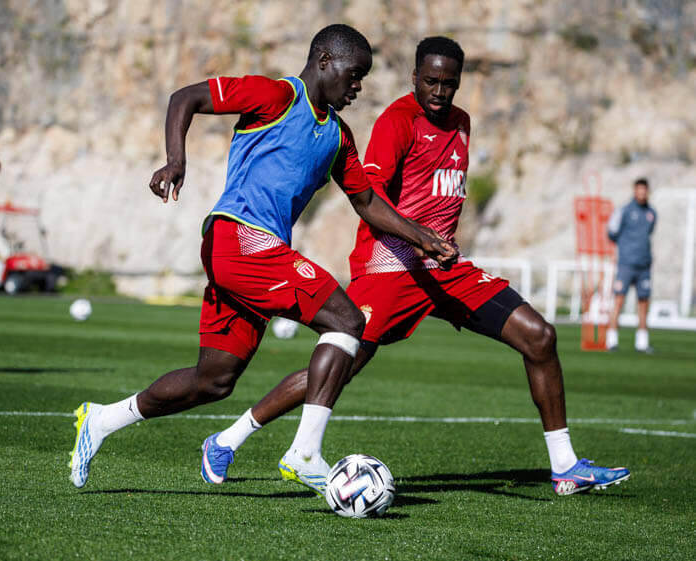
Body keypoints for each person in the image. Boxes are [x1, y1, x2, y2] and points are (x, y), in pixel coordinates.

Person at [201, 36, 631, 497]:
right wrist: (419, 236)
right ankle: (228, 440)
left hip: (445, 269)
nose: (440, 91)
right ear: (414, 77)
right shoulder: (396, 121)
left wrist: (437, 245)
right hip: (392, 268)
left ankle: (565, 467)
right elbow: (371, 197)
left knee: (540, 336)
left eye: (449, 83)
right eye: (431, 81)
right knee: (339, 365)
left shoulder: (462, 123)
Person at [68, 24, 458, 490]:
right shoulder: (275, 96)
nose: (358, 87)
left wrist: (422, 238)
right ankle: (305, 453)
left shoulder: (338, 136)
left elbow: (367, 201)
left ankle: (101, 420)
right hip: (239, 239)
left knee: (214, 381)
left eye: (363, 78)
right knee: (348, 320)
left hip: (256, 253)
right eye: (354, 74)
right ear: (324, 61)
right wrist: (176, 160)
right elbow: (184, 98)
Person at [606, 178, 657, 353]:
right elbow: (611, 232)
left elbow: (649, 233)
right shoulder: (624, 211)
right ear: (635, 191)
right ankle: (612, 340)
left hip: (644, 266)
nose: (642, 193)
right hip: (626, 264)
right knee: (619, 300)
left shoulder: (651, 213)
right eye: (639, 189)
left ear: (648, 191)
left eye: (644, 190)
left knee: (643, 302)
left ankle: (642, 342)